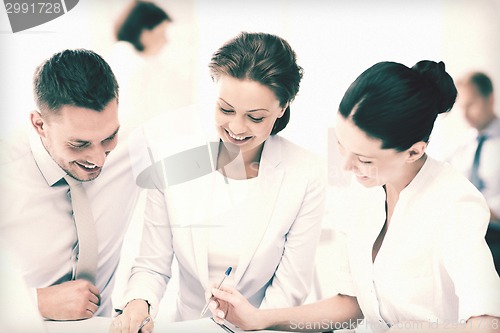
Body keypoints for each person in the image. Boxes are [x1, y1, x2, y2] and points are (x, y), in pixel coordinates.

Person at [208, 61, 500, 332]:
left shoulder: (453, 202)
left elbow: (487, 322)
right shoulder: (367, 191)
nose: (347, 166)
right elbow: (353, 303)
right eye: (341, 145)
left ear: (414, 151)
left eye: (364, 159)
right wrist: (259, 319)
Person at [110, 32, 326, 333]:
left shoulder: (307, 172)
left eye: (255, 117)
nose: (236, 128)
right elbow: (151, 266)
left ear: (282, 107)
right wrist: (138, 304)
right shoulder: (173, 160)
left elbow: (290, 288)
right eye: (225, 109)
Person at [0, 49, 145, 320]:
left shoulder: (135, 147)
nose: (98, 158)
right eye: (79, 144)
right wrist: (36, 302)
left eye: (109, 138)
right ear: (39, 124)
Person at [446, 72, 500, 274]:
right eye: (462, 107)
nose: (465, 114)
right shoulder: (460, 147)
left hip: (494, 232)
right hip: (465, 230)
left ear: (490, 99)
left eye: (471, 105)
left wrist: (481, 210)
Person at [106, 0, 173, 133]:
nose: (166, 41)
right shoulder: (138, 66)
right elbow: (141, 121)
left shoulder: (116, 57)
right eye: (162, 32)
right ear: (144, 33)